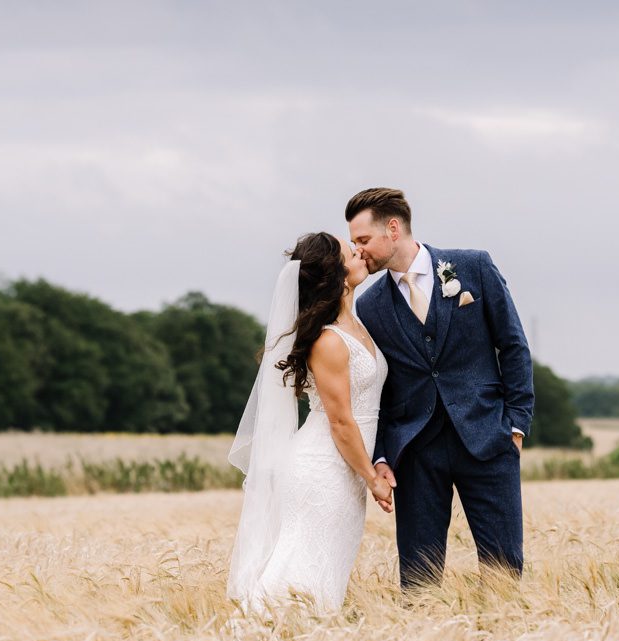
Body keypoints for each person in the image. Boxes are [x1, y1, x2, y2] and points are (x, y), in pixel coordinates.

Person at [347, 188, 534, 590]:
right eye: (353, 243)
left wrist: (516, 426)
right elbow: (379, 383)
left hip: (488, 439)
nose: (358, 251)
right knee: (418, 581)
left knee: (504, 572)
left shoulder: (473, 267)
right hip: (415, 451)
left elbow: (513, 345)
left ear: (393, 228)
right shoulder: (370, 304)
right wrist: (382, 453)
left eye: (363, 240)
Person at [227, 232, 392, 615]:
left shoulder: (356, 324)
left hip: (347, 467)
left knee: (329, 563)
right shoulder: (329, 341)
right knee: (305, 562)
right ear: (337, 273)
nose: (360, 252)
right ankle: (267, 635)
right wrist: (372, 478)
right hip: (324, 467)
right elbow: (341, 421)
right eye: (351, 251)